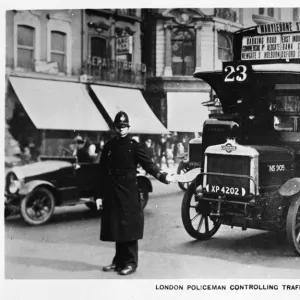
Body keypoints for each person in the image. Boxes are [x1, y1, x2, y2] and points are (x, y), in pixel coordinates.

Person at [95, 111, 176, 276]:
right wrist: (98, 196)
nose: (122, 129)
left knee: (129, 228)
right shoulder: (109, 146)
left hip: (129, 193)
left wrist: (163, 176)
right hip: (113, 192)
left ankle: (131, 263)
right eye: (119, 127)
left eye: (124, 127)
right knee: (118, 226)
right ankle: (118, 261)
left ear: (128, 128)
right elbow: (101, 172)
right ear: (115, 128)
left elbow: (149, 165)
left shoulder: (134, 146)